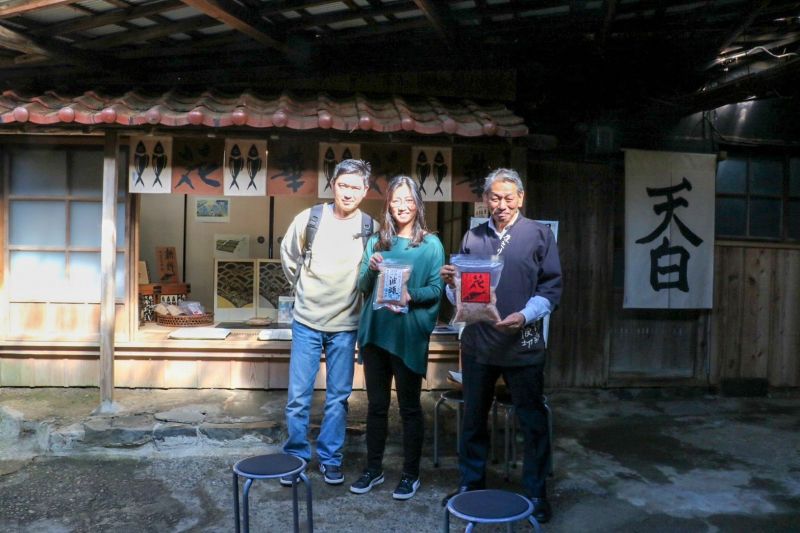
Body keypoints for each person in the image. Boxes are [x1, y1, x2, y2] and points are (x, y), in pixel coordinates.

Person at [439, 168, 562, 523]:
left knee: (532, 419)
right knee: (473, 418)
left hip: (523, 343)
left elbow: (551, 288)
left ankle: (536, 491)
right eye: (495, 198)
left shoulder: (539, 234)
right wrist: (452, 284)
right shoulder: (474, 236)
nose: (502, 205)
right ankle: (471, 484)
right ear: (485, 200)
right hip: (479, 343)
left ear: (521, 198)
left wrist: (525, 315)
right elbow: (463, 296)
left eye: (509, 198)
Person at [349, 175, 444, 500]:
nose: (402, 206)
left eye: (408, 200)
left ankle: (410, 474)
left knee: (409, 408)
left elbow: (436, 290)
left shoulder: (430, 245)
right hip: (376, 334)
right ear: (388, 204)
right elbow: (362, 287)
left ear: (418, 203)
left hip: (407, 337)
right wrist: (372, 268)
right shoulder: (378, 241)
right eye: (396, 200)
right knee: (376, 407)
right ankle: (373, 469)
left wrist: (410, 296)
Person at [280, 159, 374, 485]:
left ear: (365, 190)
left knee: (338, 398)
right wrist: (303, 290)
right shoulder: (309, 219)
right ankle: (295, 457)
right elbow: (289, 257)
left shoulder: (370, 227)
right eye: (343, 185)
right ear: (333, 185)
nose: (348, 193)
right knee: (298, 397)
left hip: (346, 325)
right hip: (306, 321)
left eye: (355, 187)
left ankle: (331, 458)